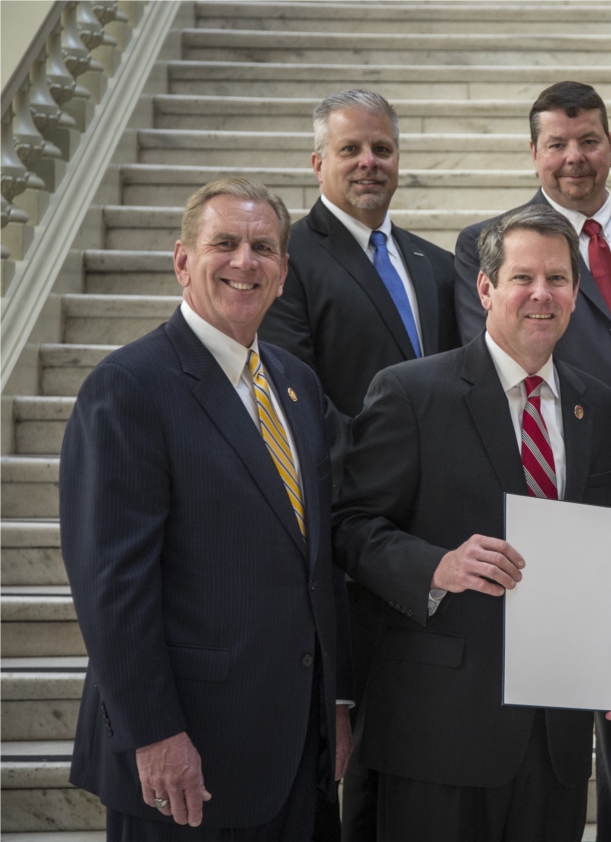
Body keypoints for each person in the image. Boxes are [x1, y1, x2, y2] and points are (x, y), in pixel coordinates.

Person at [453, 80, 611, 841]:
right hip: (551, 511)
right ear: (534, 152)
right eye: (558, 143)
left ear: (609, 143)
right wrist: (609, 433)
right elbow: (504, 355)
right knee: (557, 731)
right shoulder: (487, 244)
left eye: (588, 139)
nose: (575, 156)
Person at [60, 177, 353, 840]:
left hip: (293, 751)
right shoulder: (128, 388)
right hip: (186, 759)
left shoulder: (296, 382)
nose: (245, 261)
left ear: (283, 272)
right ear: (183, 260)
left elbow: (317, 556)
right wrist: (154, 733)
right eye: (224, 243)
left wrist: (334, 700)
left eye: (264, 247)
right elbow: (112, 587)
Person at [332, 204, 611, 841]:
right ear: (487, 287)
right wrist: (435, 566)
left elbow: (608, 550)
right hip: (439, 732)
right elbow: (352, 527)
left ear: (577, 294)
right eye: (523, 278)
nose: (541, 294)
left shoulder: (599, 409)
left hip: (556, 735)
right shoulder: (409, 392)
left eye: (558, 279)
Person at [256, 89, 461, 841]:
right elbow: (296, 395)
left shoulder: (436, 264)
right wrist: (396, 489)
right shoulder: (287, 260)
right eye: (351, 150)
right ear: (318, 163)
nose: (369, 162)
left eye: (381, 149)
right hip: (349, 541)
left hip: (427, 548)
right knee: (359, 755)